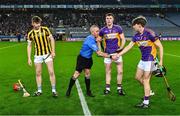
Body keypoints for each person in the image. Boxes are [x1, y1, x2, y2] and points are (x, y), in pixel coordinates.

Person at [116, 16, 163, 108]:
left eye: (134, 25)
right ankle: (148, 92)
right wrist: (119, 54)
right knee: (137, 77)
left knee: (146, 80)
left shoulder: (150, 33)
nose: (133, 26)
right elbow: (129, 46)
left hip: (150, 60)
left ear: (139, 25)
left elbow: (160, 47)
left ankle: (146, 102)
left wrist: (161, 61)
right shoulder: (136, 36)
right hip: (143, 60)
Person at [66, 25, 111, 97]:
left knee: (87, 74)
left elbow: (99, 50)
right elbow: (99, 53)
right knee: (77, 74)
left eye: (98, 31)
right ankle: (69, 90)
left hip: (88, 59)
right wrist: (111, 56)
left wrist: (99, 42)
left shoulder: (94, 38)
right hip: (82, 59)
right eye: (96, 31)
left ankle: (88, 91)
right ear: (92, 32)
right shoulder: (90, 40)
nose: (98, 32)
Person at [27, 16, 58, 97]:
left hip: (47, 54)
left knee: (51, 72)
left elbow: (51, 39)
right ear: (32, 23)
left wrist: (53, 51)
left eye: (39, 23)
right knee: (38, 73)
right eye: (36, 23)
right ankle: (39, 90)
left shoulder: (45, 29)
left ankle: (54, 90)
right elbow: (29, 46)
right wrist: (29, 58)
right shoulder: (30, 33)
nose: (37, 25)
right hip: (37, 55)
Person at [99, 13, 126, 95]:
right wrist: (101, 51)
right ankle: (107, 88)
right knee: (108, 72)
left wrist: (120, 48)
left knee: (120, 71)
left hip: (117, 54)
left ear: (113, 19)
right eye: (107, 18)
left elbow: (123, 39)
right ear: (105, 19)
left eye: (110, 18)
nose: (109, 20)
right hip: (108, 54)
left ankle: (119, 88)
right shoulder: (102, 30)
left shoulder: (118, 28)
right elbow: (98, 40)